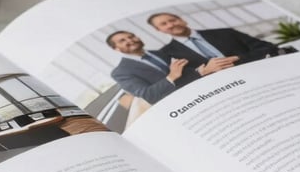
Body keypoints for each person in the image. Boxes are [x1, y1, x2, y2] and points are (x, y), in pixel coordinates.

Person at [148, 12, 281, 73]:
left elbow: (268, 48)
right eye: (164, 24)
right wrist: (205, 70)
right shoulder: (166, 53)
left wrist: (239, 58)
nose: (171, 24)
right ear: (158, 30)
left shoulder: (225, 32)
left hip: (257, 72)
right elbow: (181, 78)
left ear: (182, 20)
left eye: (173, 20)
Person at [107, 30, 197, 105]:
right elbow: (147, 95)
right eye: (122, 41)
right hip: (177, 104)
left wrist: (199, 71)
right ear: (116, 48)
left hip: (195, 91)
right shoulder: (120, 72)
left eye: (131, 36)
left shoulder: (160, 52)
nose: (130, 40)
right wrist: (171, 77)